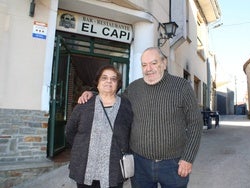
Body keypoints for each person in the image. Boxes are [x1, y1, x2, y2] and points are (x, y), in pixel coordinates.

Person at [78, 47, 203, 188]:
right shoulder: (134, 88)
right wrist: (93, 94)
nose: (148, 68)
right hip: (139, 165)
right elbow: (114, 100)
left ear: (164, 63)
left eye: (153, 63)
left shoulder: (182, 87)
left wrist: (188, 158)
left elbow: (195, 124)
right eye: (144, 65)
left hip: (173, 165)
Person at [66, 65, 133, 188]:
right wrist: (82, 149)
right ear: (97, 83)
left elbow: (130, 134)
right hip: (84, 169)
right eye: (104, 78)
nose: (109, 81)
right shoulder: (84, 104)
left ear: (118, 84)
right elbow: (69, 131)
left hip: (114, 171)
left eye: (113, 79)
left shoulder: (126, 106)